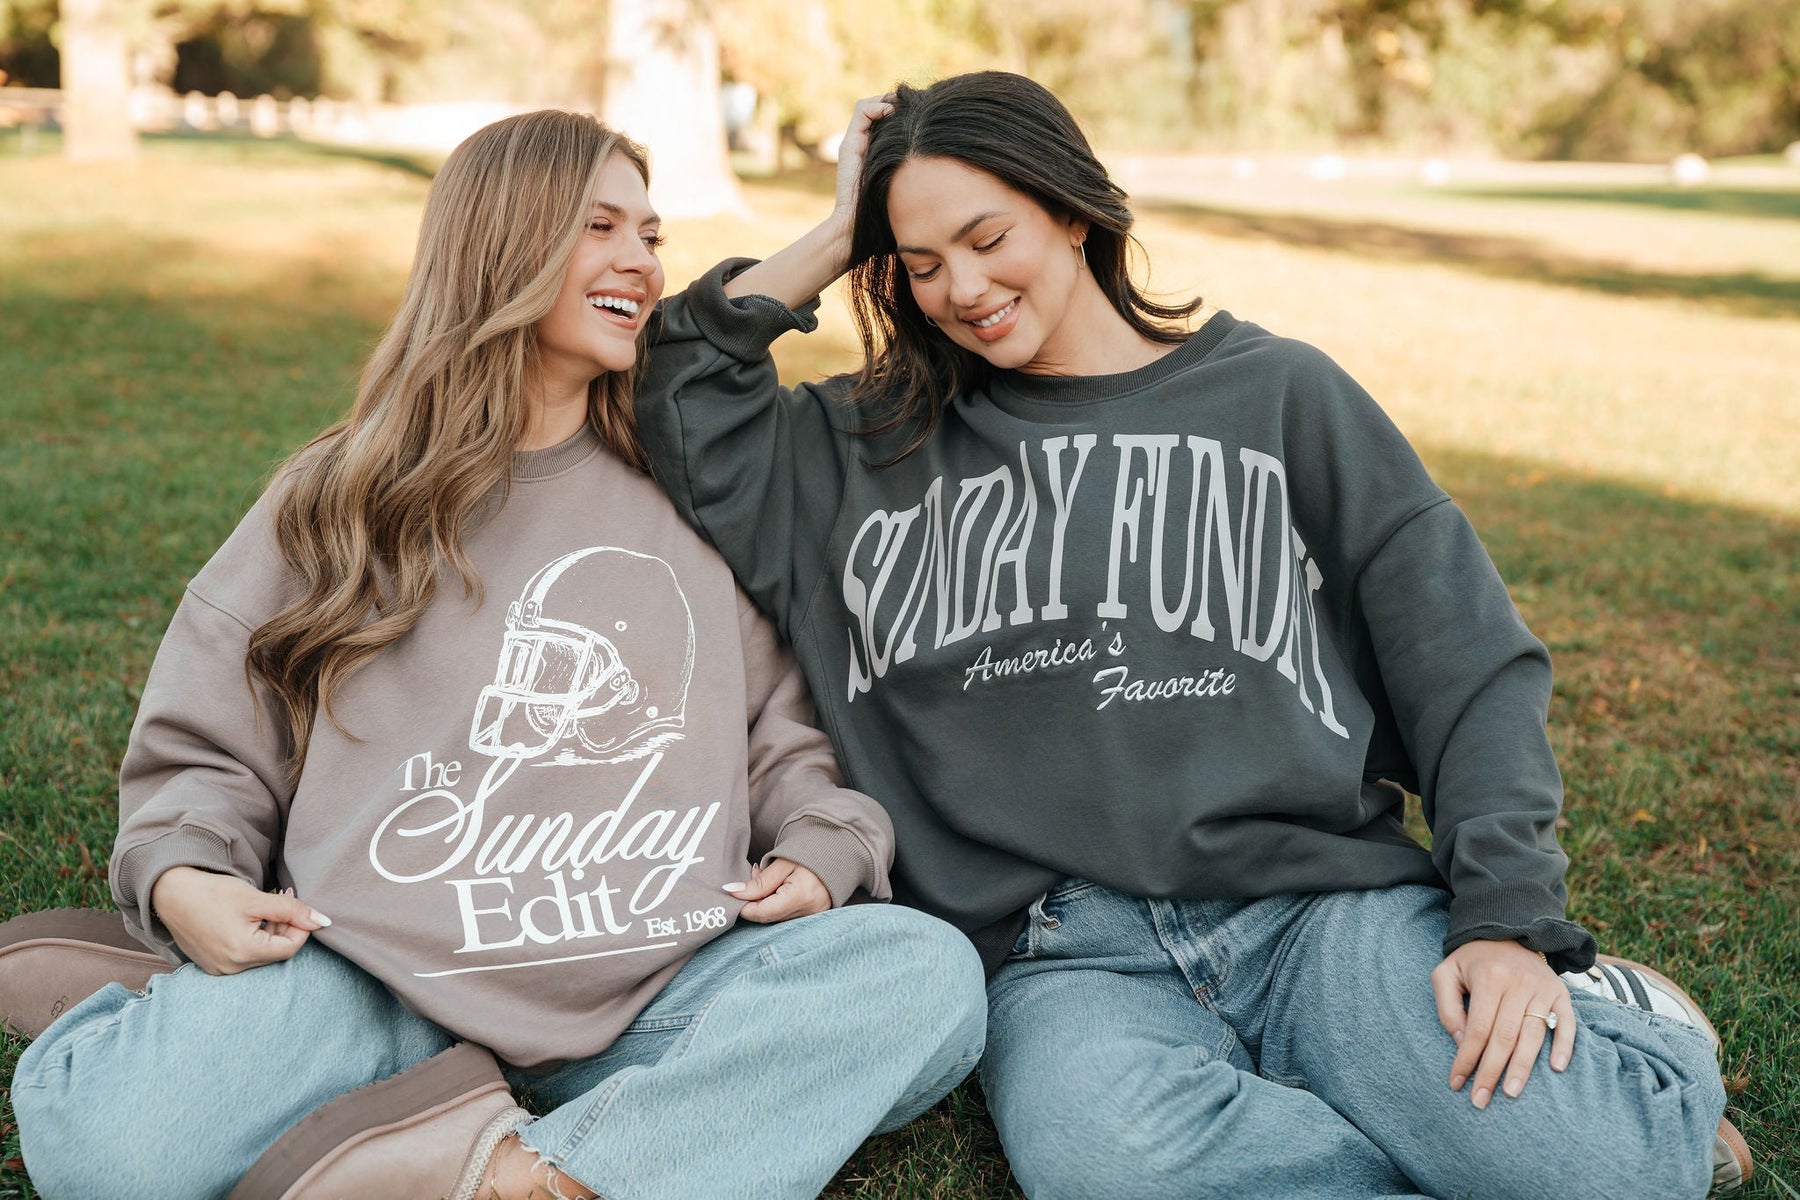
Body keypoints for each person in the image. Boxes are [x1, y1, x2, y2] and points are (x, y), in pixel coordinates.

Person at [633, 72, 1749, 1199]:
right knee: (1104, 1163)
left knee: (1603, 1170)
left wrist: (1506, 921)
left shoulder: (1281, 396)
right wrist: (840, 231)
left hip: (1315, 909)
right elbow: (677, 386)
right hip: (1064, 955)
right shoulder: (856, 450)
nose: (962, 289)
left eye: (987, 238)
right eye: (920, 264)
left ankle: (1633, 1030)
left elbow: (1466, 668)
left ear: (1071, 210)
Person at [1, 109, 986, 1200]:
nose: (642, 260)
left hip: (655, 986)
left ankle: (521, 1177)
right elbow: (209, 745)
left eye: (651, 234)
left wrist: (820, 841)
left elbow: (780, 736)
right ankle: (188, 1006)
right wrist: (184, 877)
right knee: (107, 1153)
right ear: (501, 244)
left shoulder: (694, 493)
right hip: (376, 976)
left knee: (927, 985)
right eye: (599, 227)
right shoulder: (339, 497)